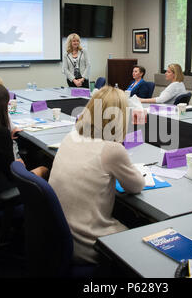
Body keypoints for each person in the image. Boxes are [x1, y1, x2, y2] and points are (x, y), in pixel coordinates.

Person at [48, 86, 145, 264]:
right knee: (144, 236)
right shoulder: (111, 150)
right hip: (88, 243)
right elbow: (136, 186)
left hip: (56, 236)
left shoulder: (70, 136)